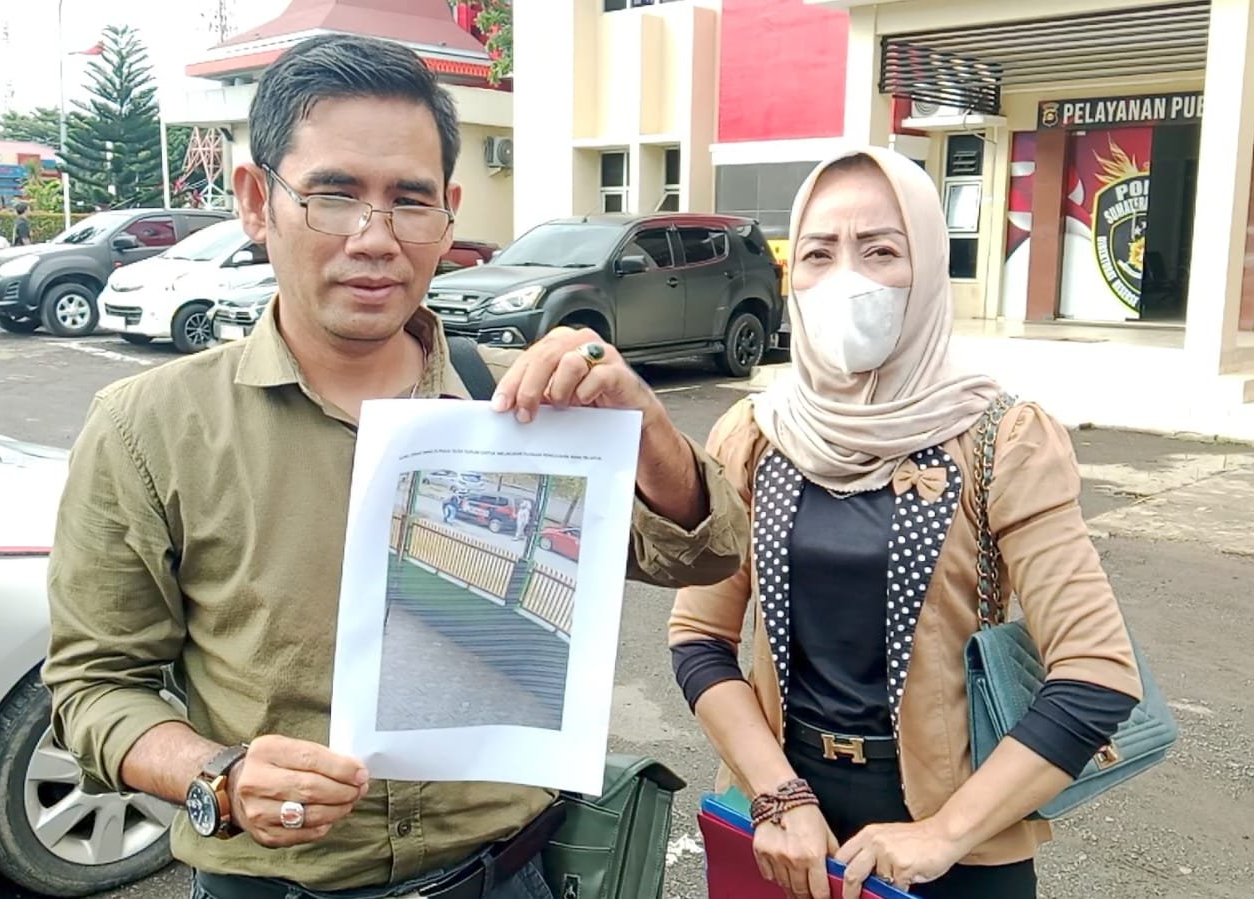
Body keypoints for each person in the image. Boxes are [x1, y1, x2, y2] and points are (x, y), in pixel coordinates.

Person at [42, 33, 749, 899]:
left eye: (409, 201)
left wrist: (644, 424)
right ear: (258, 201)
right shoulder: (148, 427)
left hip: (511, 875)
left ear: (448, 214)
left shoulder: (527, 406)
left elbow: (707, 555)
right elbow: (93, 685)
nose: (375, 239)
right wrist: (216, 774)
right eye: (334, 196)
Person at [666, 146, 1143, 899]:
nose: (846, 278)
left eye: (880, 250)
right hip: (787, 831)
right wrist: (778, 795)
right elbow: (699, 637)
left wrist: (943, 834)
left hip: (957, 846)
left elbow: (1096, 674)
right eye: (818, 253)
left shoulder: (1001, 438)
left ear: (927, 267)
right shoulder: (756, 435)